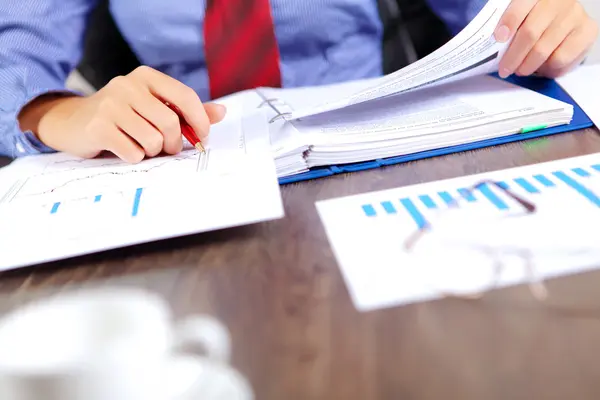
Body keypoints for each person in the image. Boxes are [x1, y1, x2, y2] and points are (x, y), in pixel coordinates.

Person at [0, 0, 597, 163]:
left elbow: (495, 18)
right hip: (183, 158)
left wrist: (540, 24)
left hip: (368, 146)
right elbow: (14, 57)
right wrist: (52, 112)